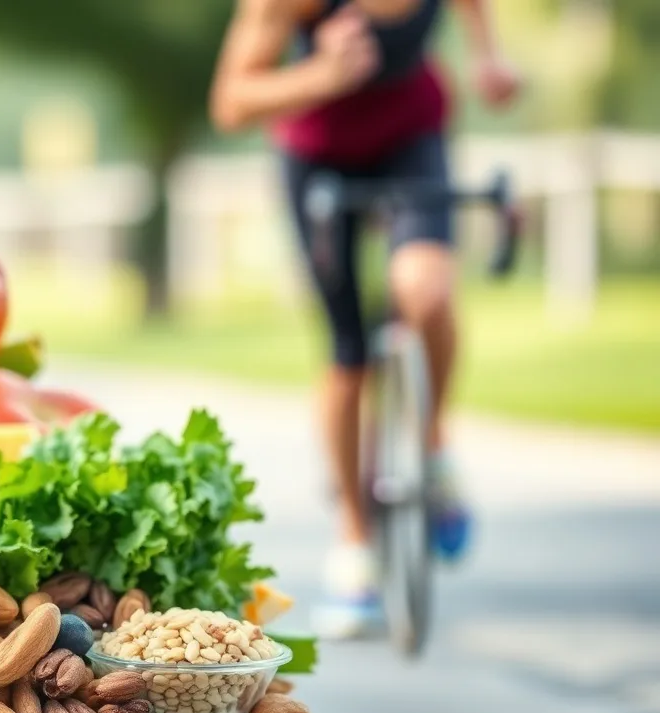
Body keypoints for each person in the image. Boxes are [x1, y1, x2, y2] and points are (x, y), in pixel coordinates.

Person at [209, 0, 520, 637]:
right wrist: (322, 74)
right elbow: (232, 101)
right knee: (348, 353)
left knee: (425, 290)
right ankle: (355, 542)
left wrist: (490, 59)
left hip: (411, 137)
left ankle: (432, 444)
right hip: (318, 153)